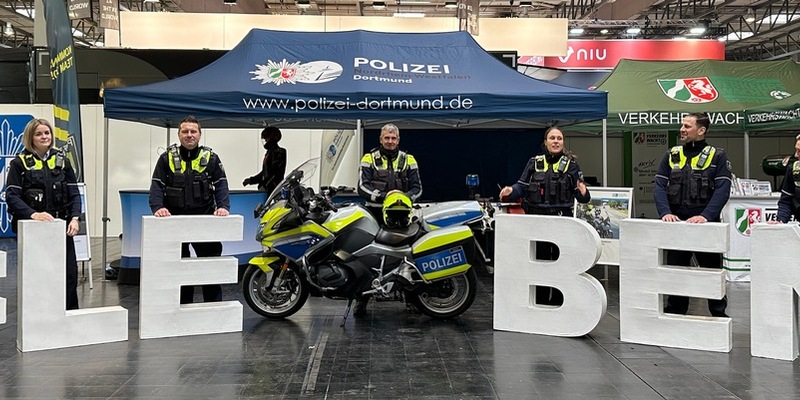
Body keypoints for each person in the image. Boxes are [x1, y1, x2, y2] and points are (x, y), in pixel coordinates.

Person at [499, 126, 590, 306]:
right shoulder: (534, 162)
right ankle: (539, 303)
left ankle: (558, 303)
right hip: (537, 221)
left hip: (561, 220)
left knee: (560, 264)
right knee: (539, 263)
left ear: (563, 142)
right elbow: (520, 187)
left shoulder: (571, 165)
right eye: (552, 138)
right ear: (546, 142)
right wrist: (510, 191)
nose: (556, 141)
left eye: (559, 138)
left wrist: (584, 192)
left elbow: (583, 197)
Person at [653, 112, 732, 318]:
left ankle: (718, 314)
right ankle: (675, 312)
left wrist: (706, 216)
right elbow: (659, 186)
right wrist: (666, 212)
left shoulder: (718, 156)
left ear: (701, 130)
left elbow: (723, 189)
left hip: (707, 226)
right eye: (682, 125)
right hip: (677, 225)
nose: (682, 129)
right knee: (675, 272)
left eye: (687, 126)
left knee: (712, 273)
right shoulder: (671, 154)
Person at [149, 116, 231, 304]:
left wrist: (223, 207)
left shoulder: (210, 157)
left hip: (204, 220)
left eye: (193, 131)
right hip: (175, 222)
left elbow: (221, 185)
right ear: (179, 134)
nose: (189, 135)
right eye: (185, 131)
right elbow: (156, 186)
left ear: (200, 135)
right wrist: (158, 207)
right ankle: (181, 307)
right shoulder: (166, 158)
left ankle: (213, 308)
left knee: (209, 267)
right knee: (178, 269)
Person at [6, 118, 82, 310]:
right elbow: (12, 196)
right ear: (30, 137)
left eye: (47, 133)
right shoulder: (19, 163)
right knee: (38, 276)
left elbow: (74, 193)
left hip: (62, 228)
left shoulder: (62, 161)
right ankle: (39, 318)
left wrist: (74, 218)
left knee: (68, 275)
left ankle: (69, 316)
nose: (44, 137)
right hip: (34, 230)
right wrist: (33, 214)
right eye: (39, 134)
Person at [357, 123, 422, 223]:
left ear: (398, 140)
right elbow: (362, 187)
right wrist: (385, 196)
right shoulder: (368, 158)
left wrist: (401, 198)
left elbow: (417, 189)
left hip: (403, 214)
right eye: (386, 138)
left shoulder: (409, 159)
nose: (390, 141)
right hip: (374, 213)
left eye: (393, 138)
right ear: (380, 140)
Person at [242, 127, 286, 194]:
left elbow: (274, 173)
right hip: (268, 188)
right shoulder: (269, 153)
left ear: (273, 138)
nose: (265, 141)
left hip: (273, 189)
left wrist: (265, 185)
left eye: (266, 138)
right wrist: (251, 180)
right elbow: (265, 172)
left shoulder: (279, 152)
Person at [771, 134, 800, 224]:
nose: (796, 155)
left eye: (799, 151)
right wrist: (780, 221)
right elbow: (786, 201)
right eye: (796, 150)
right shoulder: (794, 169)